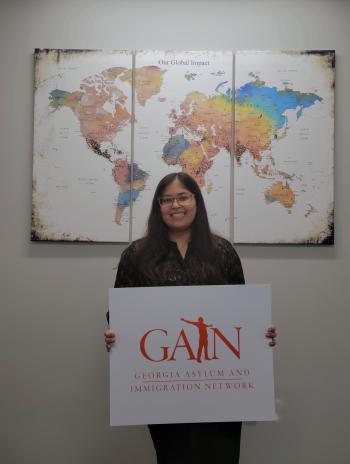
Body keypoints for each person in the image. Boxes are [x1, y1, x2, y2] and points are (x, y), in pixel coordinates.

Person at [104, 172, 277, 464]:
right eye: (167, 199)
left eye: (183, 196)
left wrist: (261, 333)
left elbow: (243, 311)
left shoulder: (222, 251)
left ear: (196, 201)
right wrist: (114, 335)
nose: (175, 205)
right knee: (173, 456)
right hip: (164, 387)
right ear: (158, 206)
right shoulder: (137, 255)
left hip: (220, 385)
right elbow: (119, 314)